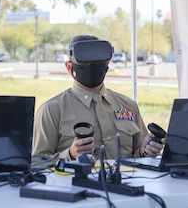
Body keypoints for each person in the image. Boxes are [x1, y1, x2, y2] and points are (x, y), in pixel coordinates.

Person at [32, 35, 165, 161]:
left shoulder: (128, 106)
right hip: (76, 184)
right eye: (85, 64)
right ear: (68, 67)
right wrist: (70, 155)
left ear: (107, 64)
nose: (92, 68)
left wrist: (145, 151)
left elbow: (138, 156)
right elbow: (37, 162)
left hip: (124, 183)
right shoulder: (52, 110)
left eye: (98, 63)